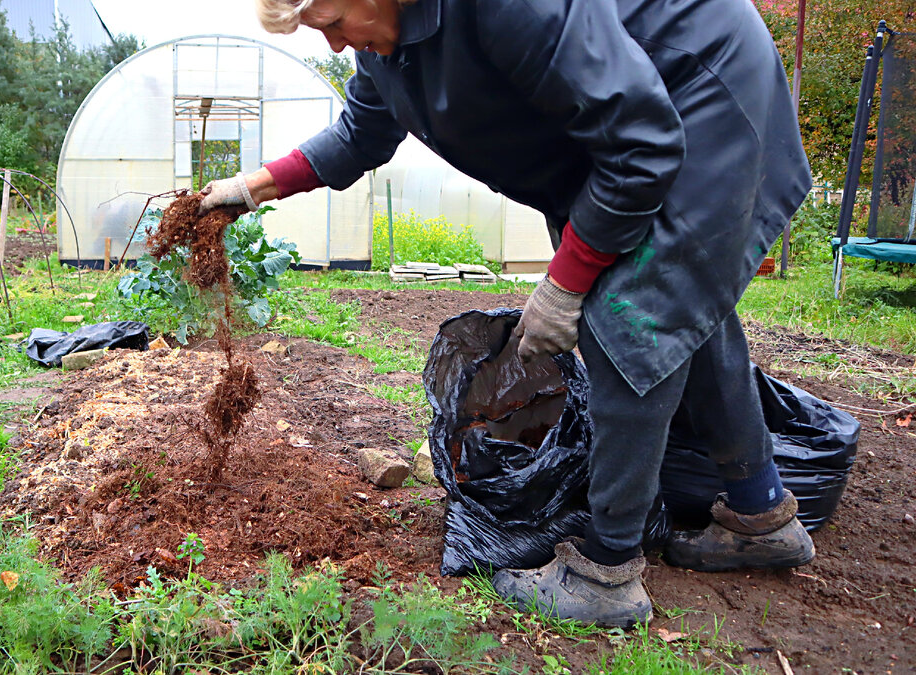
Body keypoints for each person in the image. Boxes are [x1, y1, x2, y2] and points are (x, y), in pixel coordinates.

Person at [201, 0, 815, 628]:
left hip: (697, 92)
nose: (332, 46)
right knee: (683, 308)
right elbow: (360, 133)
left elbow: (640, 144)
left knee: (632, 319)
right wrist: (250, 188)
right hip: (620, 132)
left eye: (330, 23)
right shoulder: (384, 44)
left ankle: (606, 574)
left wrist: (564, 286)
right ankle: (761, 515)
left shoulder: (507, 7)